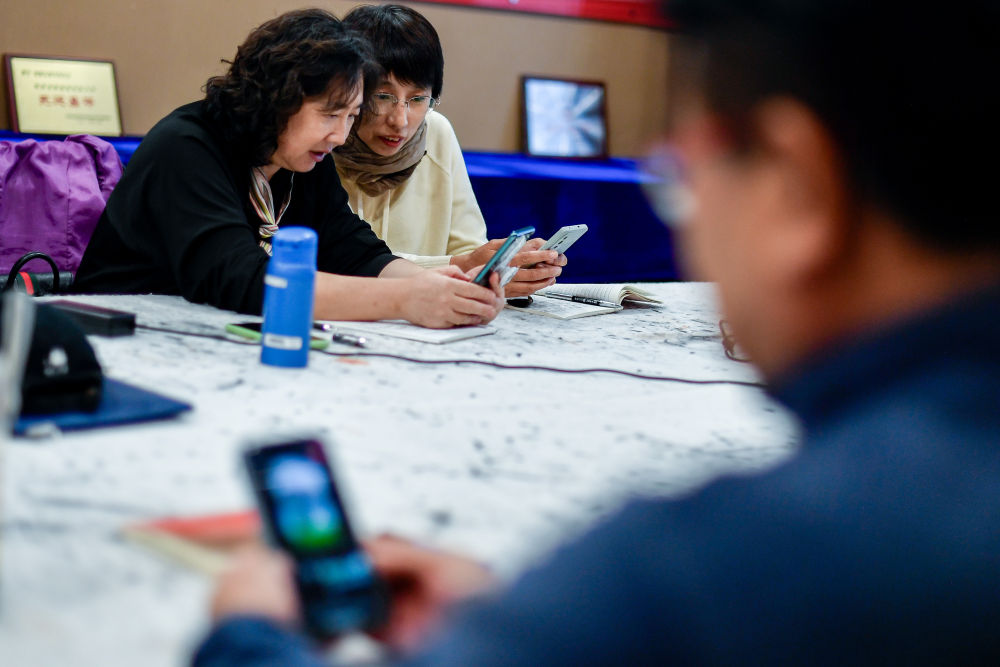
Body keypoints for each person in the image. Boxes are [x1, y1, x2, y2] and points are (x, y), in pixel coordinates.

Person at [194, 0, 1000, 663]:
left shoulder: (707, 571)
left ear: (798, 190)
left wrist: (249, 629)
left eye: (680, 177)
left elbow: (364, 260)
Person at [72, 9, 503, 329]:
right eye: (330, 115)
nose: (339, 136)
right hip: (115, 337)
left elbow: (354, 250)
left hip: (201, 335)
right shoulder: (186, 147)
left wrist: (447, 285)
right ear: (277, 97)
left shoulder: (300, 159)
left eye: (351, 116)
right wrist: (406, 298)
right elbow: (244, 279)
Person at [334, 4, 565, 298]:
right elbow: (335, 263)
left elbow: (469, 252)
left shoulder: (436, 132)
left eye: (418, 98)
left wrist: (498, 274)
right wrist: (461, 267)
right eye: (383, 96)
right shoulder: (321, 145)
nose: (400, 120)